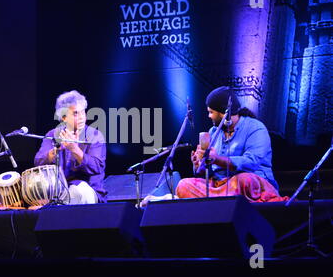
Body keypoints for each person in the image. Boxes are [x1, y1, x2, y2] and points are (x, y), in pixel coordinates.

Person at [141, 86, 288, 206]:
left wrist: (217, 159)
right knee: (184, 184)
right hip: (219, 186)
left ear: (225, 112)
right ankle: (196, 199)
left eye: (211, 112)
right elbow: (206, 172)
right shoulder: (213, 132)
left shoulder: (255, 128)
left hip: (252, 182)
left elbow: (251, 162)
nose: (209, 116)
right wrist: (199, 164)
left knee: (244, 181)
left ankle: (178, 200)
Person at [34, 90, 107, 205]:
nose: (82, 117)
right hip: (59, 192)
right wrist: (56, 150)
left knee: (76, 191)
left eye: (83, 112)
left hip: (89, 191)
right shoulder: (52, 135)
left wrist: (74, 149)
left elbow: (97, 167)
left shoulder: (95, 135)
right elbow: (38, 162)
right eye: (76, 113)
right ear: (63, 118)